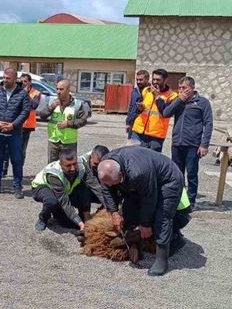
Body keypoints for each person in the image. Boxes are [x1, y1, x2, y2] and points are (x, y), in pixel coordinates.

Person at [98, 146, 192, 276]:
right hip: (142, 179)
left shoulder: (138, 173)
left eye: (111, 183)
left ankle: (162, 259)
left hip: (168, 180)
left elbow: (149, 200)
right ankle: (133, 240)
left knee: (162, 217)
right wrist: (113, 212)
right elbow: (106, 189)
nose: (109, 185)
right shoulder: (106, 168)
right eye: (106, 182)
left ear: (120, 174)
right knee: (129, 210)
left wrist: (145, 224)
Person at [162, 76, 213, 207]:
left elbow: (208, 124)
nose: (181, 90)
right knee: (177, 174)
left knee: (191, 174)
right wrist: (179, 100)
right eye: (179, 88)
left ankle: (190, 202)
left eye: (184, 88)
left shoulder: (202, 102)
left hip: (193, 145)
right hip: (177, 143)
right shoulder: (178, 100)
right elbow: (166, 113)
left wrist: (204, 144)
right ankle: (178, 200)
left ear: (192, 87)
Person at [0, 68, 30, 199]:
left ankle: (17, 186)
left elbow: (25, 112)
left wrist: (13, 125)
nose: (5, 80)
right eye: (4, 77)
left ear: (15, 79)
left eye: (8, 78)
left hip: (14, 134)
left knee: (16, 160)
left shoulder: (22, 94)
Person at [31, 149, 94, 232]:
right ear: (61, 165)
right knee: (52, 201)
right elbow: (64, 201)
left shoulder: (81, 165)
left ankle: (59, 212)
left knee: (67, 223)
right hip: (42, 187)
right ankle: (43, 218)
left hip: (63, 190)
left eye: (74, 164)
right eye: (68, 165)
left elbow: (94, 185)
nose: (72, 168)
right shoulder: (54, 175)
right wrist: (80, 223)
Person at [40, 79, 90, 163]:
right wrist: (51, 107)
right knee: (52, 166)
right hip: (54, 141)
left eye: (61, 89)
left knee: (69, 166)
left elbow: (83, 121)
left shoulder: (78, 104)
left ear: (68, 90)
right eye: (57, 89)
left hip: (69, 142)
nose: (58, 91)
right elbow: (42, 116)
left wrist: (68, 124)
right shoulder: (52, 102)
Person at [130, 69, 178, 152]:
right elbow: (139, 111)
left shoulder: (172, 96)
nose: (155, 82)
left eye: (158, 80)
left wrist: (157, 96)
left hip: (156, 135)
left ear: (165, 80)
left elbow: (165, 113)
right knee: (134, 157)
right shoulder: (146, 91)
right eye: (154, 79)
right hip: (138, 130)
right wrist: (140, 109)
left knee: (152, 161)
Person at [125, 70, 150, 138]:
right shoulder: (135, 91)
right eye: (137, 79)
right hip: (133, 124)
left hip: (144, 126)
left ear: (147, 79)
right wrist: (128, 122)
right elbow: (131, 107)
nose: (138, 82)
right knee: (132, 145)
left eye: (141, 80)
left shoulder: (151, 92)